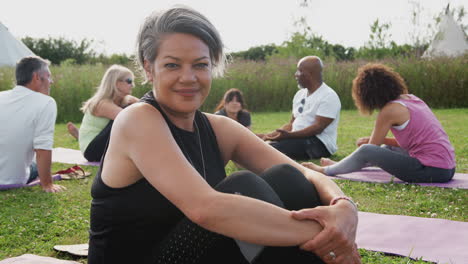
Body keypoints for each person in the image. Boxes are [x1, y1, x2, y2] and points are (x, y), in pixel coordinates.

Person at [88, 6, 360, 264]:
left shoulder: (220, 128)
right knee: (243, 187)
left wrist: (343, 206)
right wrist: (328, 235)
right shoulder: (137, 119)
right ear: (149, 68)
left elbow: (304, 174)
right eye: (172, 65)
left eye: (200, 65)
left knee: (285, 179)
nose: (188, 77)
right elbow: (205, 208)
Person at [302, 63, 456, 183]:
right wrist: (378, 142)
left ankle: (327, 170)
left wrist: (370, 143)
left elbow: (370, 150)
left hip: (431, 170)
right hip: (447, 169)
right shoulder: (411, 99)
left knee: (367, 150)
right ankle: (341, 164)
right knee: (388, 147)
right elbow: (414, 141)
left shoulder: (388, 111)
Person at [0, 56, 65, 192]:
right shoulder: (46, 102)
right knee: (34, 164)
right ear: (36, 77)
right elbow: (42, 149)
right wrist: (47, 184)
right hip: (10, 178)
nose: (51, 82)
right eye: (48, 76)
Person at [258, 56, 341, 160]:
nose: (295, 74)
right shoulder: (299, 94)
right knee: (264, 145)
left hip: (319, 143)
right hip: (296, 138)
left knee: (269, 151)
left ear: (309, 74)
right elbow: (291, 124)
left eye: (299, 71)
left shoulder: (329, 96)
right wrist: (268, 136)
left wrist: (289, 136)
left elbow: (318, 128)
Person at [66, 65, 139, 162]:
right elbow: (130, 120)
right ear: (116, 83)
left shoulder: (126, 100)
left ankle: (79, 135)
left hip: (102, 143)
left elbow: (146, 106)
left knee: (134, 109)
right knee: (125, 117)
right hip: (92, 151)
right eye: (129, 81)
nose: (133, 85)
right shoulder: (102, 103)